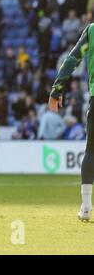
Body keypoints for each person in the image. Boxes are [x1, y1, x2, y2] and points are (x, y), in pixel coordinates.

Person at [48, 22, 93, 221]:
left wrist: (56, 90)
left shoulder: (92, 30)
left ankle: (86, 206)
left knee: (91, 151)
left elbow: (72, 59)